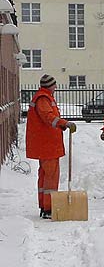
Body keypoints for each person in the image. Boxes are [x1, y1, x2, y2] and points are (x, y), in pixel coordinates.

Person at [26, 74, 77, 219]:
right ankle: (48, 208)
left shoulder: (44, 97)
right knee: (50, 177)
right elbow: (48, 117)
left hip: (46, 144)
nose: (56, 87)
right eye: (54, 84)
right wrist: (64, 123)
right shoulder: (43, 98)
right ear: (49, 85)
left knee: (44, 176)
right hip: (47, 145)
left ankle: (44, 206)